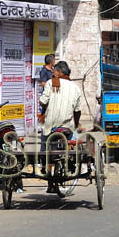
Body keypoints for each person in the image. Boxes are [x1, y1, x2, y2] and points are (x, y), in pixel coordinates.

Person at [38, 61, 84, 193]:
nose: (52, 73)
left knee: (46, 148)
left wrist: (45, 111)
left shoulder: (51, 83)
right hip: (67, 127)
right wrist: (76, 123)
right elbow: (78, 110)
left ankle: (46, 168)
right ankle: (69, 162)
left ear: (58, 72)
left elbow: (42, 102)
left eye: (54, 71)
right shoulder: (75, 88)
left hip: (50, 126)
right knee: (71, 137)